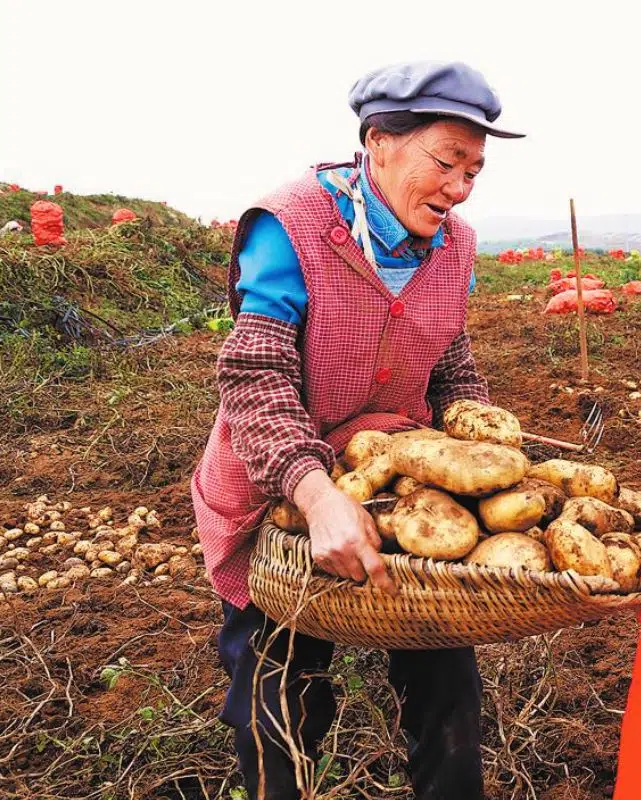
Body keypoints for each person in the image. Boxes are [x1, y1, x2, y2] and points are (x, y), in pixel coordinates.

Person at [191, 60, 523, 800]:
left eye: (474, 170)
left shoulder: (456, 246)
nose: (459, 188)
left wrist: (489, 449)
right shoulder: (293, 227)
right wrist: (315, 495)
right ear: (378, 141)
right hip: (278, 500)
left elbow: (449, 366)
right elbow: (256, 376)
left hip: (404, 498)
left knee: (448, 695)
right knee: (277, 702)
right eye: (446, 163)